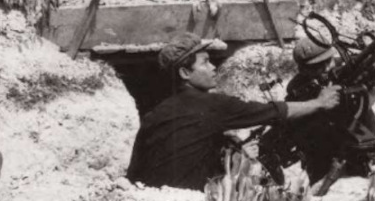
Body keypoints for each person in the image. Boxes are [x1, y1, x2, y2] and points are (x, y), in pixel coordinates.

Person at [126, 32, 341, 191]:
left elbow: (134, 171)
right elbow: (272, 112)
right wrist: (319, 103)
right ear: (184, 73)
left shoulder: (154, 115)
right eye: (206, 62)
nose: (213, 68)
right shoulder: (212, 104)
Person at [283, 36, 375, 185]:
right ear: (304, 69)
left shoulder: (348, 67)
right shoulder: (298, 87)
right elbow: (293, 118)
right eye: (316, 67)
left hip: (359, 134)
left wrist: (374, 65)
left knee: (371, 184)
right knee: (318, 189)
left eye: (326, 62)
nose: (324, 69)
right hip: (324, 147)